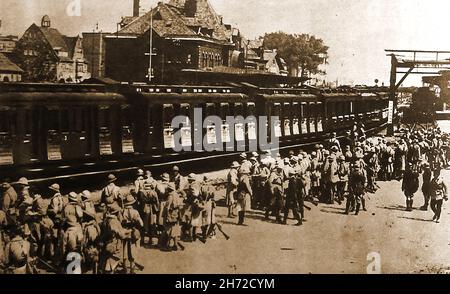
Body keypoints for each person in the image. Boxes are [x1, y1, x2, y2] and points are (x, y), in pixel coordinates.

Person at [121, 194, 144, 274]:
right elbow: (141, 224)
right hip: (133, 232)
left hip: (124, 232)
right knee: (132, 251)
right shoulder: (135, 212)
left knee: (124, 250)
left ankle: (124, 268)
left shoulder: (122, 211)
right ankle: (132, 269)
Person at [163, 183, 183, 251]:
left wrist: (165, 214)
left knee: (169, 230)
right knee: (176, 230)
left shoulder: (170, 196)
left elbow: (167, 207)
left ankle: (169, 245)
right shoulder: (177, 195)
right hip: (176, 214)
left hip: (170, 215)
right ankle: (175, 245)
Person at [82, 210, 101, 274]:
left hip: (90, 245)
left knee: (89, 262)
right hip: (97, 245)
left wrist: (83, 246)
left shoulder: (88, 227)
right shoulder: (96, 225)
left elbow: (86, 238)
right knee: (95, 262)